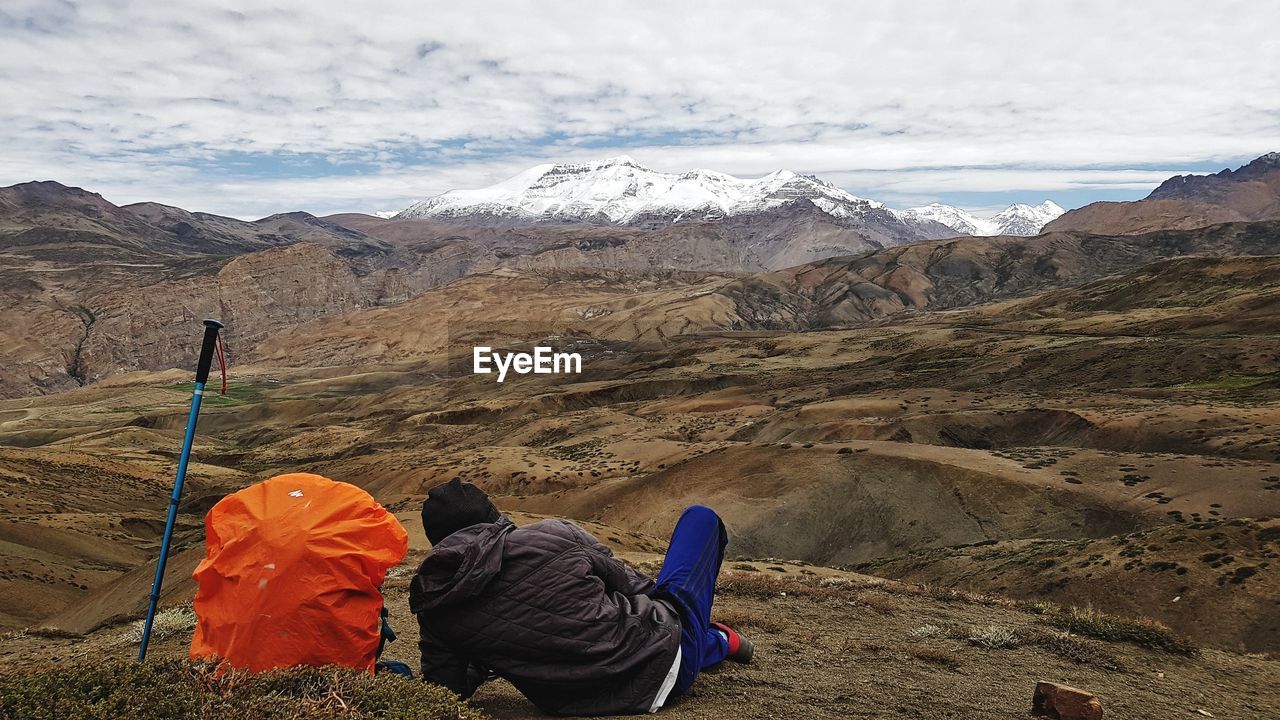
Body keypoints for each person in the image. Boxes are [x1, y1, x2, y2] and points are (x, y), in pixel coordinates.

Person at [408, 479, 752, 716]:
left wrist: (489, 651)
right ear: (494, 516)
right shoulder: (553, 534)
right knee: (700, 518)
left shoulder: (435, 597)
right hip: (667, 663)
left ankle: (717, 640)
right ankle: (717, 639)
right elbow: (637, 587)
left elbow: (447, 688)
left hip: (569, 703)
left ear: (438, 542)